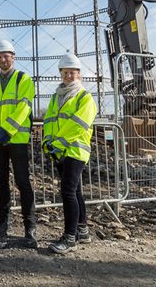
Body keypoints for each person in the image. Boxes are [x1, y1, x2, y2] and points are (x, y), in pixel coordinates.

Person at [0, 39, 37, 248]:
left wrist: (7, 129)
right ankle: (3, 225)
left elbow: (24, 106)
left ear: (13, 57)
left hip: (17, 140)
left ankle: (29, 228)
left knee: (23, 182)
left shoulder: (24, 79)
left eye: (6, 55)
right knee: (2, 183)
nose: (3, 59)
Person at [43, 53, 97, 254]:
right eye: (65, 72)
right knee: (76, 191)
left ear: (79, 74)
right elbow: (49, 120)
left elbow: (78, 126)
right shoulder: (57, 96)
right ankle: (82, 230)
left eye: (72, 72)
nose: (68, 75)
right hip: (60, 149)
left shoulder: (85, 98)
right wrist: (47, 141)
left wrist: (57, 143)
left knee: (67, 191)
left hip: (75, 150)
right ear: (61, 73)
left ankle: (69, 237)